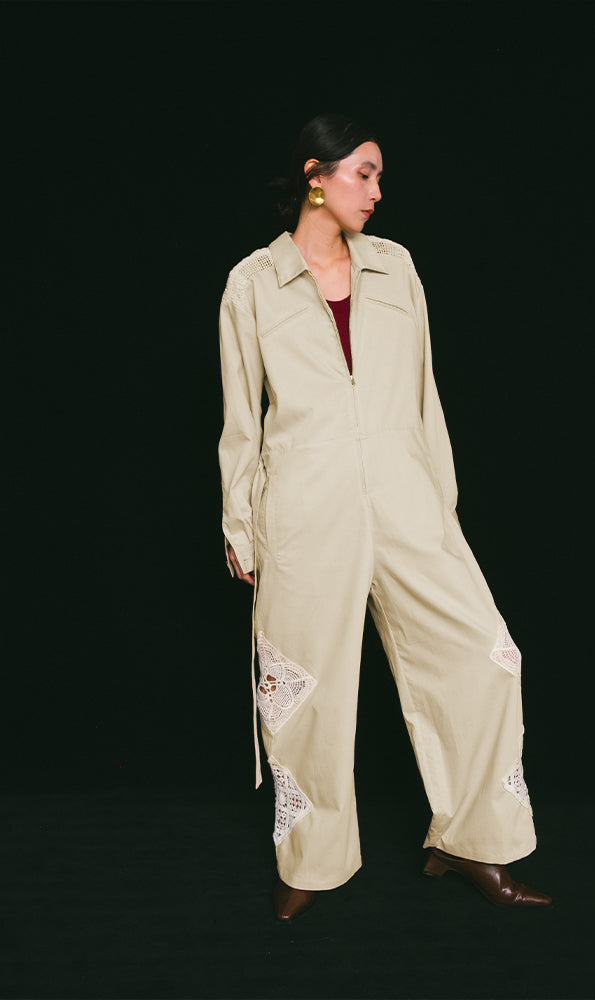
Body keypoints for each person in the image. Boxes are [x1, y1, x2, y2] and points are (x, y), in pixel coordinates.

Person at [218, 113, 552, 922]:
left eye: (377, 176)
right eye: (363, 173)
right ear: (315, 176)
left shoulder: (395, 267)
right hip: (305, 508)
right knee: (306, 692)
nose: (376, 190)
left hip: (407, 500)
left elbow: (424, 394)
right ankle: (312, 860)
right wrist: (239, 525)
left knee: (482, 659)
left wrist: (440, 503)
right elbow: (240, 421)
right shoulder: (253, 283)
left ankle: (472, 839)